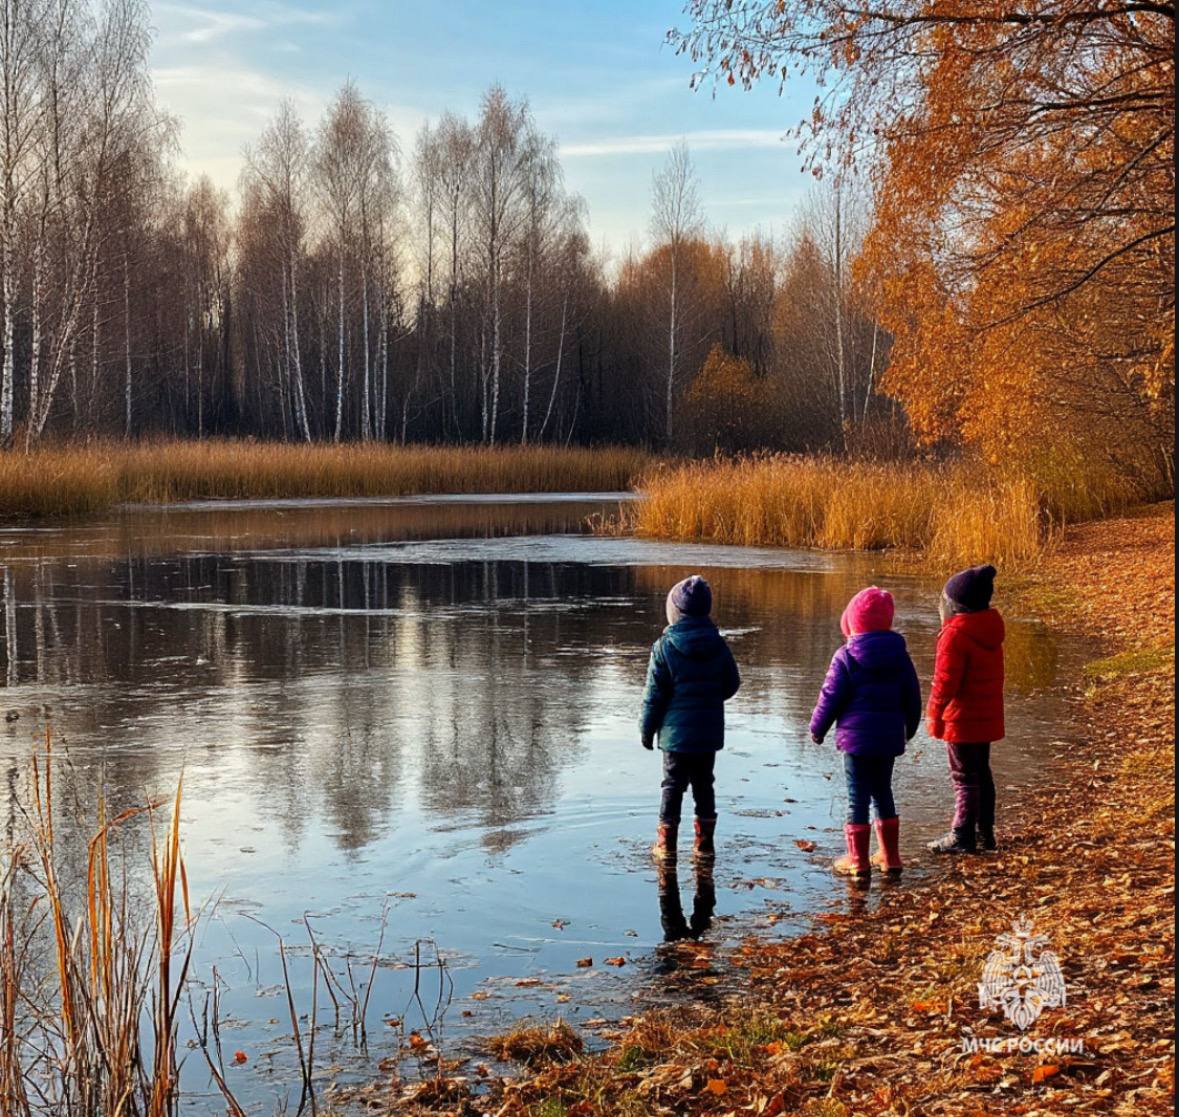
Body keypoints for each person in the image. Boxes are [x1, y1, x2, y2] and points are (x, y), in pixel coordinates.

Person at [810, 586, 922, 878]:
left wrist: (817, 728)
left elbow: (830, 696)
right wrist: (909, 728)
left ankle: (858, 860)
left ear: (852, 621)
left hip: (855, 742)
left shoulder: (845, 656)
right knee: (883, 791)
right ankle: (890, 856)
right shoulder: (900, 656)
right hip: (888, 738)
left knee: (856, 796)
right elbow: (912, 696)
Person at [640, 575, 740, 861]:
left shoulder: (664, 647)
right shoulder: (718, 645)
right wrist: (708, 697)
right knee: (704, 785)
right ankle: (704, 846)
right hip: (707, 735)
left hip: (674, 738)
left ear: (675, 612)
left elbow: (653, 696)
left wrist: (646, 730)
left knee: (672, 785)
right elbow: (732, 683)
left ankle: (666, 846)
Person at [926, 564, 1005, 854]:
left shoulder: (954, 635)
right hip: (984, 717)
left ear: (955, 605)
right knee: (981, 773)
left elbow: (945, 682)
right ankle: (985, 834)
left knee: (963, 777)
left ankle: (962, 834)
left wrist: (933, 713)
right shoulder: (989, 631)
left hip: (961, 719)